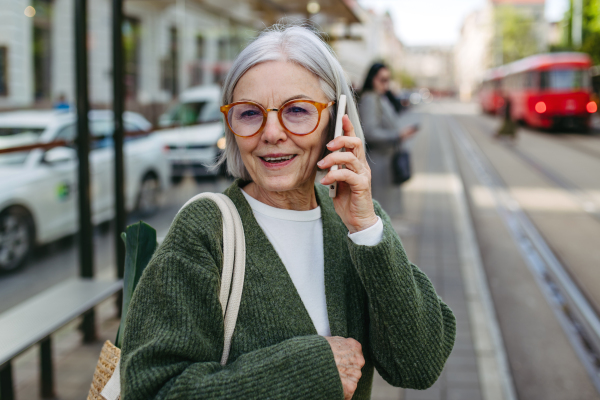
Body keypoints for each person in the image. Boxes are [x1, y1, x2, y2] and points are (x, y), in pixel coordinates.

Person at [121, 25, 455, 400]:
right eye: (249, 113)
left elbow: (419, 364)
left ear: (336, 117)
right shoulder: (205, 232)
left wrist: (368, 230)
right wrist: (310, 372)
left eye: (297, 110)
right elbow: (153, 390)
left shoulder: (355, 226)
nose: (272, 133)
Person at [359, 64, 419, 215]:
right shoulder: (370, 99)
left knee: (384, 210)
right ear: (372, 79)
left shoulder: (381, 97)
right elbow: (369, 132)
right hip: (378, 163)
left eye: (388, 80)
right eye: (382, 79)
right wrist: (398, 135)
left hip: (386, 161)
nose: (386, 84)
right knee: (379, 211)